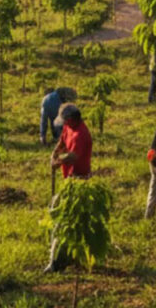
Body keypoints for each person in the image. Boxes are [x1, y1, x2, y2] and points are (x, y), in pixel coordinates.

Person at [45, 103, 92, 273]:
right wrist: (54, 154)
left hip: (79, 180)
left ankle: (59, 260)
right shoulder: (68, 127)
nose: (64, 123)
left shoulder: (81, 134)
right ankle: (60, 256)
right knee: (57, 211)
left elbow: (72, 156)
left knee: (63, 217)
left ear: (72, 119)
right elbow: (62, 143)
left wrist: (58, 162)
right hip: (69, 179)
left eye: (65, 120)